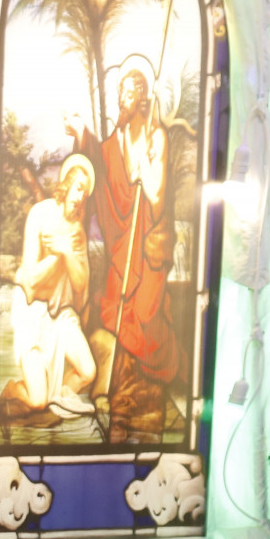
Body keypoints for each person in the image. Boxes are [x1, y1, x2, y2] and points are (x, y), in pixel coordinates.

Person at [69, 69, 178, 404]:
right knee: (113, 310)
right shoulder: (116, 142)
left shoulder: (156, 137)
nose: (121, 99)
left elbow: (158, 199)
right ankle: (116, 383)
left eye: (127, 94)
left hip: (148, 244)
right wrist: (82, 132)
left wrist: (146, 172)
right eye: (119, 92)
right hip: (121, 243)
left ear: (142, 98)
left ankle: (162, 370)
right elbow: (100, 170)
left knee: (144, 316)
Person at [3, 154, 96, 419]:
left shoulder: (77, 231)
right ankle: (12, 390)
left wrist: (65, 251)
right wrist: (57, 256)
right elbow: (31, 282)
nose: (80, 197)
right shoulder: (40, 213)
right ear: (66, 185)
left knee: (87, 371)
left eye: (85, 193)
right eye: (78, 187)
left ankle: (59, 399)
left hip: (60, 315)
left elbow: (80, 285)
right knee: (36, 401)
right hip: (32, 314)